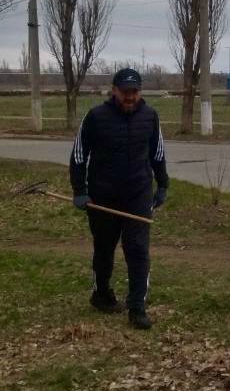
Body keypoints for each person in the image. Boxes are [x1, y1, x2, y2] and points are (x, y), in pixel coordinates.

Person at [69, 68, 169, 330]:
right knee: (104, 248)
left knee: (137, 249)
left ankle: (137, 307)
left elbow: (158, 154)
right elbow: (79, 155)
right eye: (125, 91)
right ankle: (101, 295)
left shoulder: (150, 117)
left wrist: (162, 186)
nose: (130, 96)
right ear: (114, 90)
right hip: (102, 196)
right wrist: (80, 190)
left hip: (138, 194)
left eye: (134, 91)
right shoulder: (96, 117)